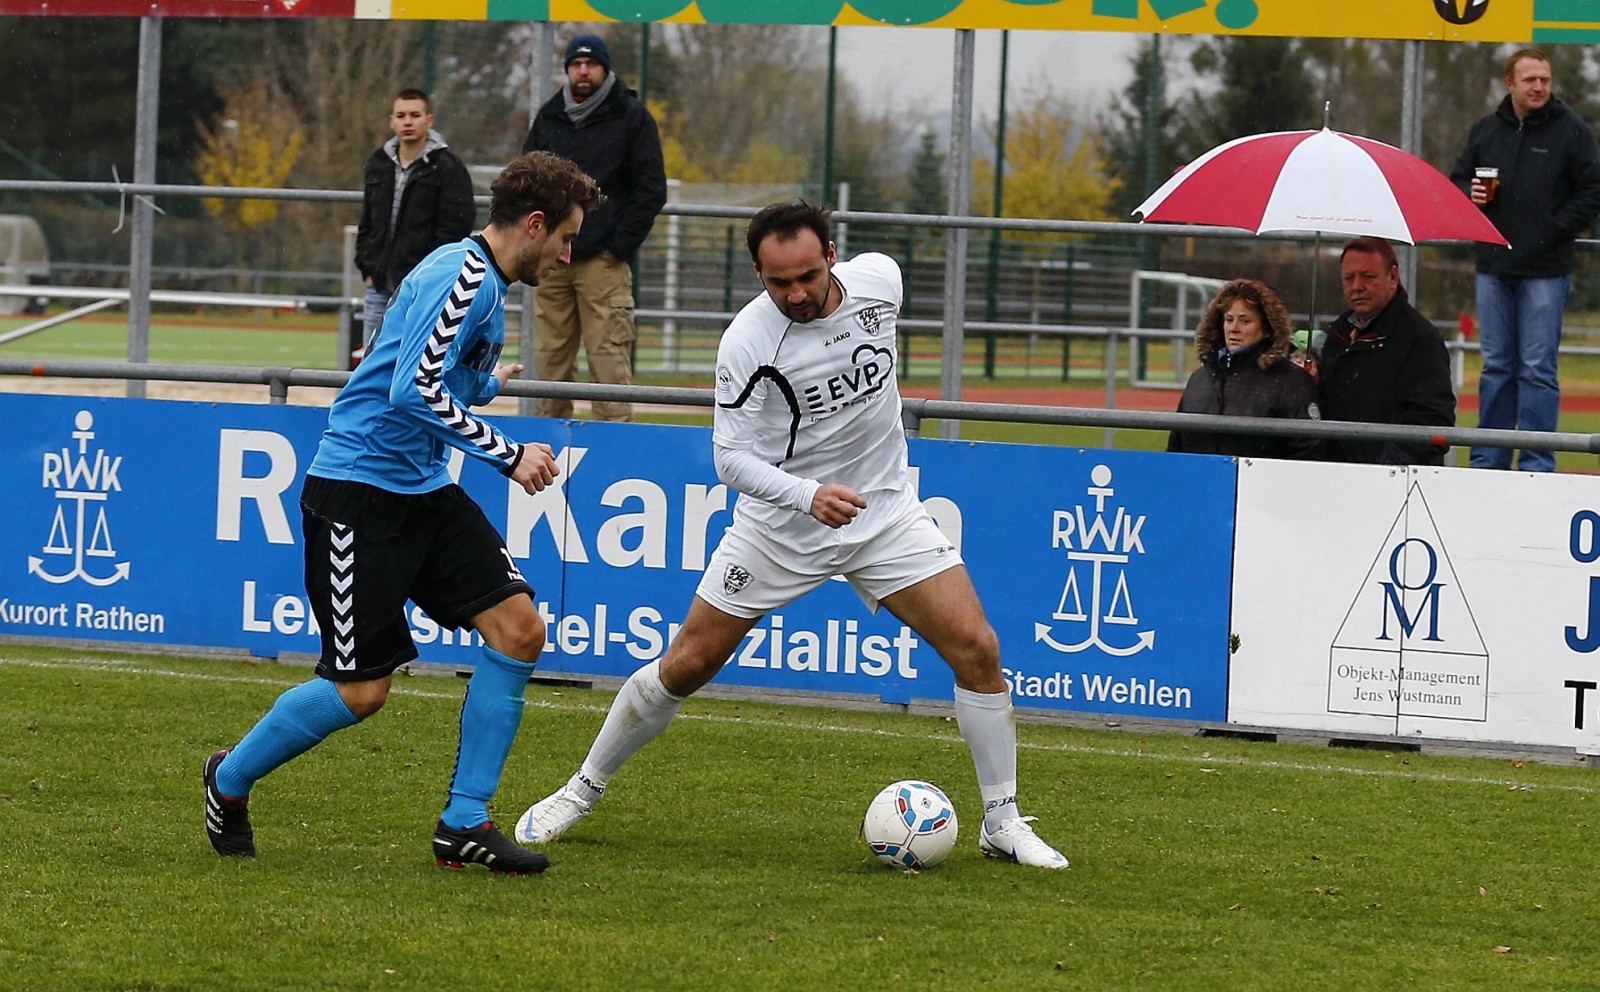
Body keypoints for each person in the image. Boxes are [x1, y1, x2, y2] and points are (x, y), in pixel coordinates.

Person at [512, 202, 1069, 869]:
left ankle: (1002, 822)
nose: (795, 295)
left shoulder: (881, 282)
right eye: (779, 284)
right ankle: (580, 790)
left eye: (806, 277)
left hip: (885, 513)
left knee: (976, 646)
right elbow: (729, 458)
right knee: (687, 663)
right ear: (758, 273)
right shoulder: (749, 341)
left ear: (832, 254)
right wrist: (808, 495)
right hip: (780, 529)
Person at [204, 152, 603, 876]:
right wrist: (507, 455)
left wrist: (486, 381)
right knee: (360, 692)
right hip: (358, 496)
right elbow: (411, 392)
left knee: (519, 628)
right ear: (536, 224)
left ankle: (464, 822)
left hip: (422, 491)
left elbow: (430, 375)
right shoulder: (464, 276)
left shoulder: (480, 282)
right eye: (567, 238)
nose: (568, 255)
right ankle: (228, 779)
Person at [1450, 48, 1600, 472]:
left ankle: (1536, 463)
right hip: (1493, 268)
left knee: (1537, 369)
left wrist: (1550, 230)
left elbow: (1593, 191)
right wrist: (1469, 196)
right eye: (1530, 79)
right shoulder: (1486, 131)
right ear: (1509, 83)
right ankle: (1488, 461)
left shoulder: (1571, 131)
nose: (1538, 87)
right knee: (1496, 368)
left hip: (1546, 271)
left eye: (1545, 80)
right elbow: (1458, 180)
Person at [521, 33, 668, 423]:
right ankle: (544, 447)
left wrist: (618, 246)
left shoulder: (632, 117)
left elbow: (651, 189)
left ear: (605, 69)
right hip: (551, 262)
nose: (583, 71)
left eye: (591, 64)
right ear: (567, 69)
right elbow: (527, 180)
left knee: (609, 362)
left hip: (603, 263)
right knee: (550, 362)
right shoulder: (549, 116)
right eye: (575, 64)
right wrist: (541, 243)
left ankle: (614, 449)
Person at [1313, 237, 1455, 466]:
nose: (1357, 286)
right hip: (1337, 478)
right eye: (1349, 278)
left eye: (1368, 276)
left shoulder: (1420, 339)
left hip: (1395, 484)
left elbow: (1431, 421)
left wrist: (1385, 470)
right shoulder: (1338, 332)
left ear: (1393, 277)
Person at [354, 88, 477, 352]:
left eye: (415, 115)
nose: (407, 121)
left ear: (429, 120)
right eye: (401, 115)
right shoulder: (378, 163)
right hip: (379, 284)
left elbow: (456, 227)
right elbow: (368, 220)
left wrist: (431, 272)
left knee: (415, 357)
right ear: (392, 121)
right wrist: (367, 266)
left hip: (424, 287)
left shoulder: (448, 167)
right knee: (371, 360)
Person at [1167, 278, 1321, 459]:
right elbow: (1176, 447)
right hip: (1200, 484)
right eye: (1229, 319)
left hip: (1260, 485)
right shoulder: (1200, 378)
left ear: (1266, 328)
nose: (1234, 328)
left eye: (1245, 321)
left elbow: (1308, 450)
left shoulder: (1292, 380)